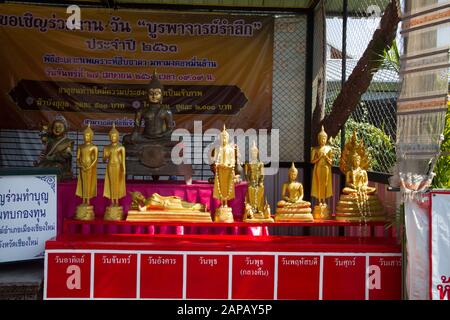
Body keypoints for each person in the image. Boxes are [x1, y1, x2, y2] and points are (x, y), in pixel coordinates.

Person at [103, 123, 126, 206]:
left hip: (117, 166)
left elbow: (122, 160)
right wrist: (106, 155)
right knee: (111, 183)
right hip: (110, 166)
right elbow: (103, 160)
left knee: (117, 183)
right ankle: (112, 201)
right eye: (112, 136)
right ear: (109, 137)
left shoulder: (121, 147)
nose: (113, 138)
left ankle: (117, 201)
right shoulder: (106, 147)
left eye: (115, 136)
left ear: (117, 137)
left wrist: (124, 170)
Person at [75, 123, 98, 204]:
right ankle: (83, 199)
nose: (86, 137)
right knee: (83, 183)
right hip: (82, 166)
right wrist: (80, 164)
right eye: (85, 135)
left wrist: (90, 166)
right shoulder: (80, 146)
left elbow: (95, 159)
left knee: (88, 183)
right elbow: (77, 158)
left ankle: (88, 199)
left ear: (91, 136)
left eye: (88, 135)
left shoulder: (94, 147)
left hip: (89, 166)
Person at [311, 126, 333, 205]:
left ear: (326, 139)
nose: (323, 140)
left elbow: (331, 162)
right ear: (318, 139)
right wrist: (319, 157)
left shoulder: (329, 149)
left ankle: (324, 200)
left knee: (325, 183)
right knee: (319, 183)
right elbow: (312, 161)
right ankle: (319, 200)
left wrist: (326, 157)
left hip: (326, 168)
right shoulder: (315, 149)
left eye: (324, 138)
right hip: (319, 168)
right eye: (321, 138)